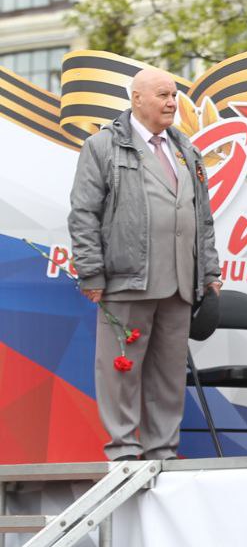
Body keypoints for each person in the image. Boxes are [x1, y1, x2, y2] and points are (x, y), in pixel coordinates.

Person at [68, 67, 222, 461]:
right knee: (121, 371)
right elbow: (84, 214)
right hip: (127, 279)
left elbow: (201, 215)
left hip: (179, 285)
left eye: (174, 95)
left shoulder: (186, 148)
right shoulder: (102, 146)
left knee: (169, 377)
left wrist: (208, 271)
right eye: (162, 95)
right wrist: (91, 271)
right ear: (137, 99)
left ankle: (162, 453)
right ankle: (122, 450)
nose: (172, 103)